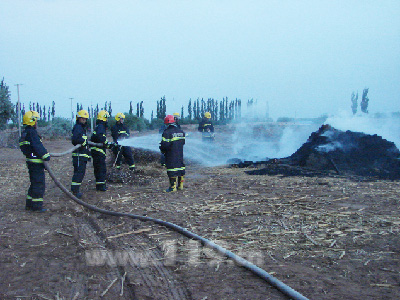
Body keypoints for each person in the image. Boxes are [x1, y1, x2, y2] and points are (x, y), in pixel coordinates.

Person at [19, 110, 50, 212]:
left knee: (34, 183)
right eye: (36, 120)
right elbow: (37, 146)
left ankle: (29, 204)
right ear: (32, 121)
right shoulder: (32, 133)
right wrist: (46, 155)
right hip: (36, 163)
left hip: (31, 162)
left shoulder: (25, 133)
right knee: (39, 184)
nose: (37, 123)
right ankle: (37, 206)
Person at [159, 115, 186, 192]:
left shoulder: (167, 132)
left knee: (172, 169)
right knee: (181, 167)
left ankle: (172, 187)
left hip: (171, 154)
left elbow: (165, 145)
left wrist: (162, 149)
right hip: (180, 153)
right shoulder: (181, 132)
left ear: (166, 123)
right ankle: (180, 186)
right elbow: (183, 143)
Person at [71, 109, 90, 198]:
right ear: (78, 118)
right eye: (82, 119)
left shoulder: (82, 128)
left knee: (81, 173)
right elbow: (75, 140)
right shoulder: (78, 127)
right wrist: (83, 141)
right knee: (79, 173)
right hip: (79, 155)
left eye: (85, 119)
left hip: (82, 155)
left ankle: (76, 189)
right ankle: (75, 191)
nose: (84, 120)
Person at [90, 110, 111, 191]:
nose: (107, 120)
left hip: (97, 152)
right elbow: (100, 137)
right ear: (104, 118)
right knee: (101, 169)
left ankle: (101, 185)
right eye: (107, 118)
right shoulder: (101, 126)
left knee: (100, 169)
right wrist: (107, 144)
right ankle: (100, 187)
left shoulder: (99, 126)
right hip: (98, 152)